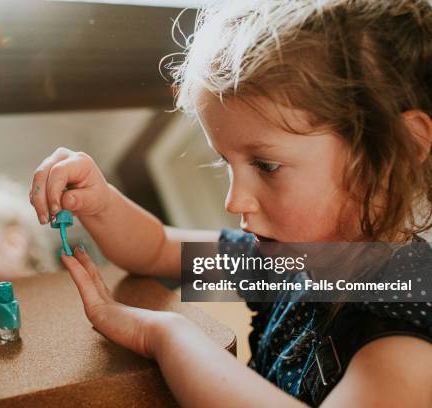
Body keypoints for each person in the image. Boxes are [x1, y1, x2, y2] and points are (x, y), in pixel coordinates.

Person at [29, 1, 432, 406]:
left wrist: (165, 335)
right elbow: (156, 249)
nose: (233, 199)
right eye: (227, 163)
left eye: (267, 165)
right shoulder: (287, 261)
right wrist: (100, 203)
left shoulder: (408, 330)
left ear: (395, 153)